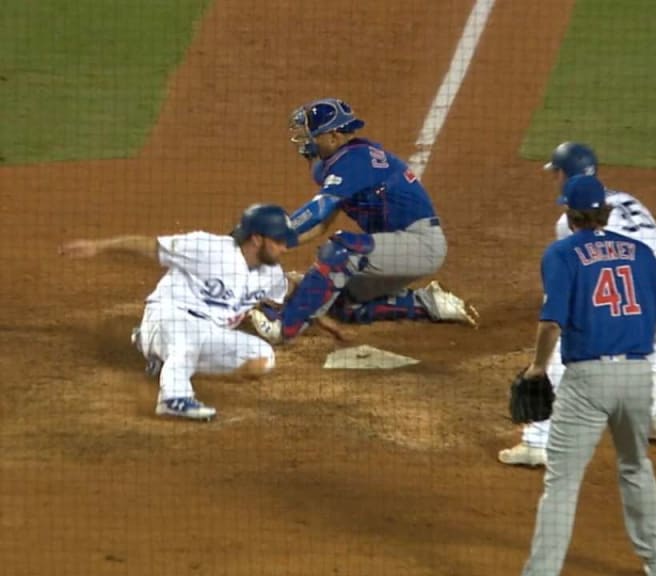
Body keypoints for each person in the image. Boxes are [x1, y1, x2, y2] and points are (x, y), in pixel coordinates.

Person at [519, 173, 656, 576]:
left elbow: (551, 324)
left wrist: (536, 368)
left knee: (562, 482)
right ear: (604, 212)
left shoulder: (561, 254)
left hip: (588, 382)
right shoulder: (638, 251)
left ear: (570, 213)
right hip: (638, 376)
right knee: (636, 467)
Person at [499, 142, 656, 467]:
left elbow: (577, 278)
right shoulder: (627, 200)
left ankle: (538, 440)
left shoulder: (568, 221)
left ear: (561, 174)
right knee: (653, 333)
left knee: (565, 340)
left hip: (644, 284)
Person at [248, 98, 477, 344]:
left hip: (421, 245)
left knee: (341, 250)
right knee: (341, 304)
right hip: (395, 245)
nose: (306, 141)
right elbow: (321, 224)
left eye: (311, 134)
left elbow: (317, 210)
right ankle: (429, 303)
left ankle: (283, 329)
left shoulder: (356, 161)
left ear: (334, 136)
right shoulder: (331, 165)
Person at [59, 204, 298, 420]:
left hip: (208, 334)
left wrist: (329, 320)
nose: (284, 248)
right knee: (187, 337)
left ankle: (163, 360)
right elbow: (150, 246)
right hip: (168, 316)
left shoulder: (271, 274)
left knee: (262, 359)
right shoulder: (210, 249)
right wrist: (99, 247)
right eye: (278, 241)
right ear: (256, 239)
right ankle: (173, 398)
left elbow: (287, 292)